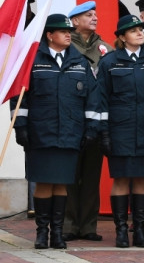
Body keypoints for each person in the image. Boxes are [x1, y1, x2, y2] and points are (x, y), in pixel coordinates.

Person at [13, 14, 98, 250]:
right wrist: (21, 127)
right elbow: (20, 99)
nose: (68, 34)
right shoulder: (32, 61)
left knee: (61, 184)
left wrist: (91, 129)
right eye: (62, 31)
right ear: (50, 35)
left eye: (69, 31)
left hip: (70, 133)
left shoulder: (80, 63)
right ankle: (42, 233)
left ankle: (58, 234)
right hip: (41, 133)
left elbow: (92, 99)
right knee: (43, 184)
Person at [96, 14, 144, 249]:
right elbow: (101, 100)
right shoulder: (109, 62)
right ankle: (121, 231)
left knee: (142, 180)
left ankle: (139, 231)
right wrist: (104, 133)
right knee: (121, 180)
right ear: (121, 37)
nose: (139, 32)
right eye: (133, 30)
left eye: (140, 29)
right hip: (121, 130)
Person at [64, 0, 114, 243]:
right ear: (75, 21)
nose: (94, 18)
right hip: (71, 122)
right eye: (88, 15)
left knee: (92, 175)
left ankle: (88, 226)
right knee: (70, 176)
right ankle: (70, 225)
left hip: (97, 121)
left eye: (95, 14)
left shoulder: (106, 48)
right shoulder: (65, 47)